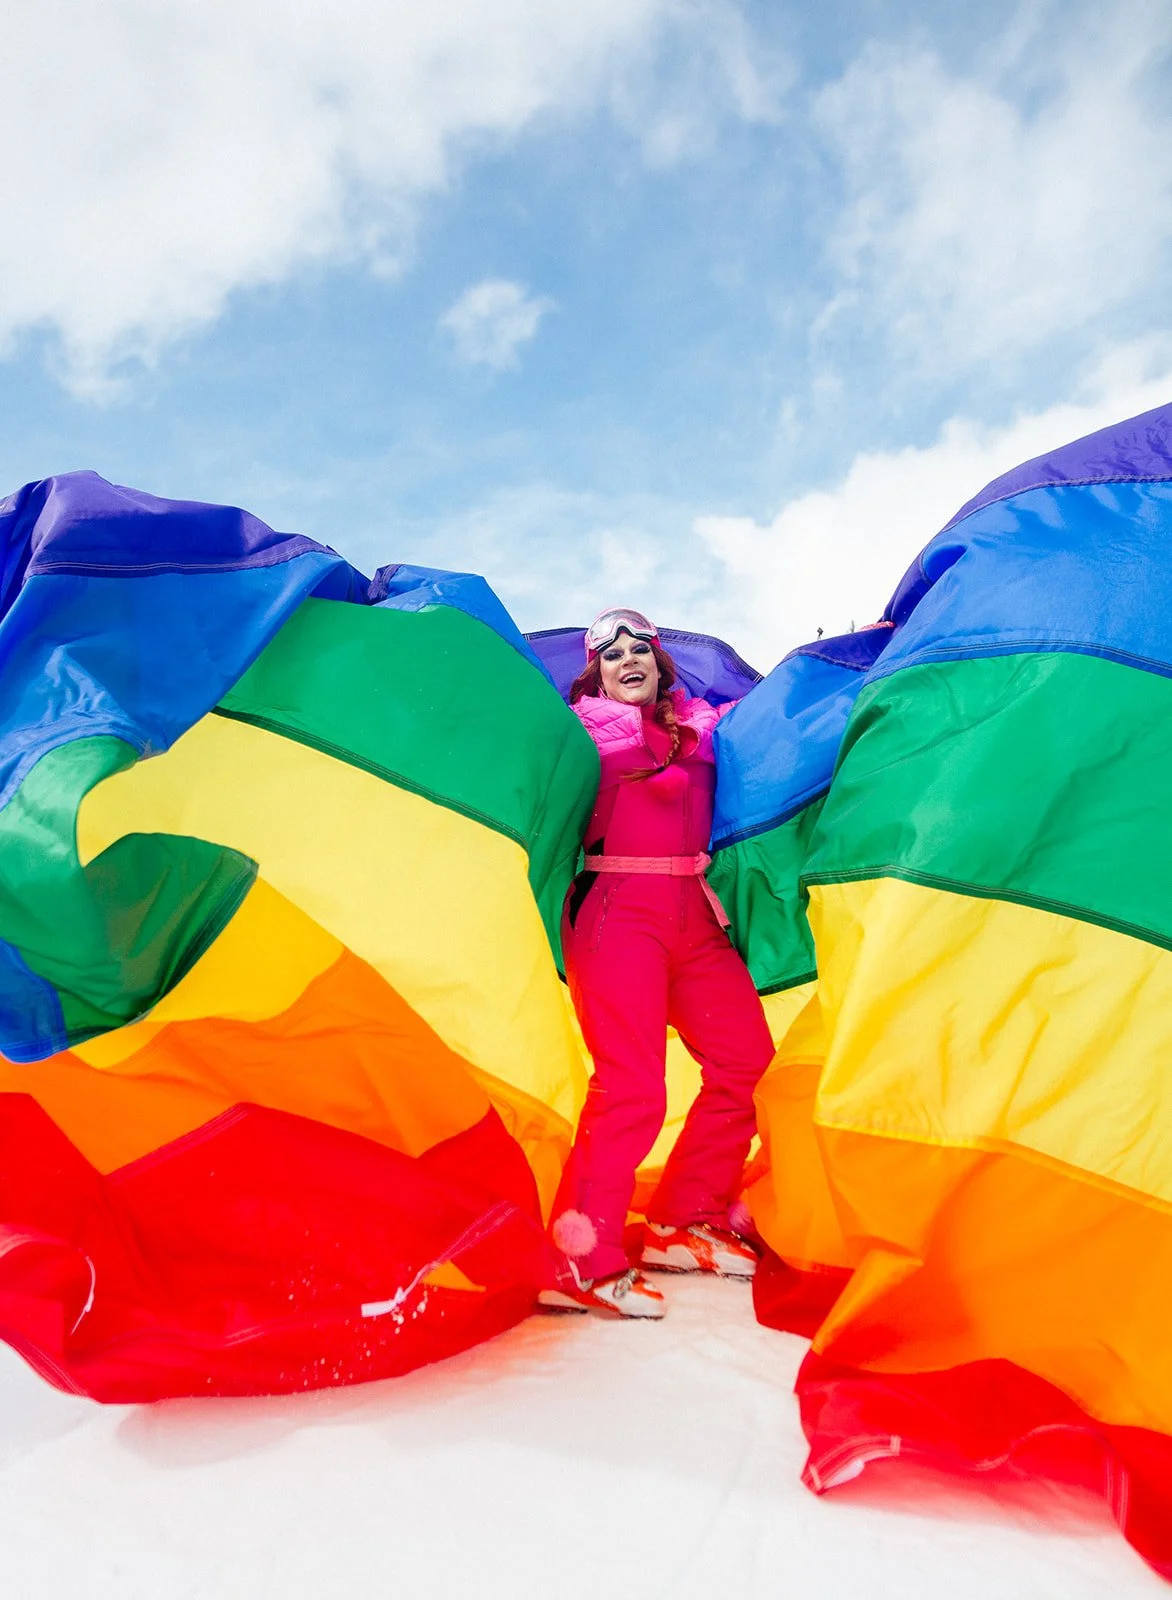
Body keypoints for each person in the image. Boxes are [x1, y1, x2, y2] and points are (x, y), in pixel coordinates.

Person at [538, 608, 776, 1319]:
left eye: (639, 647)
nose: (626, 658)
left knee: (745, 1061)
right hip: (617, 912)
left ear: (660, 662)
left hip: (693, 915)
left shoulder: (704, 727)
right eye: (609, 654)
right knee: (632, 1085)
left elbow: (782, 718)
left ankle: (681, 1221)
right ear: (596, 672)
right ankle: (581, 1259)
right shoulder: (577, 730)